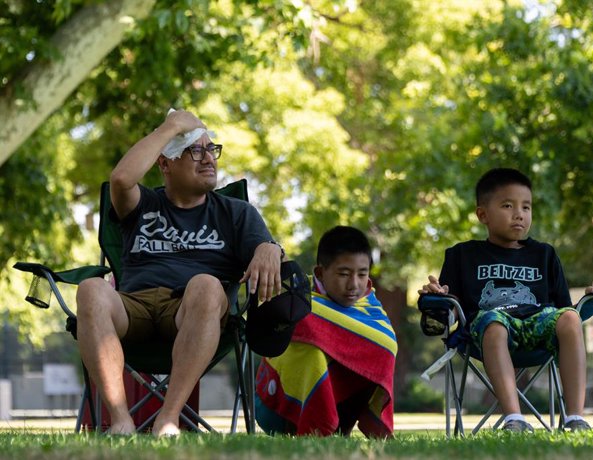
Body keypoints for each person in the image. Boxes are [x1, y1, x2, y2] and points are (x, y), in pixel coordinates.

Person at [75, 109, 283, 436]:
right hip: (133, 309)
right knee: (90, 289)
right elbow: (121, 179)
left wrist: (270, 247)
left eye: (211, 150)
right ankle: (120, 420)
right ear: (164, 164)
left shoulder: (236, 213)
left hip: (191, 312)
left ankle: (168, 419)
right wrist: (171, 127)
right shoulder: (141, 205)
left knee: (205, 285)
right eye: (195, 151)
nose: (208, 159)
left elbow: (264, 248)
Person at [419, 167, 593, 433]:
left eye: (526, 207)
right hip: (487, 331)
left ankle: (575, 418)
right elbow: (448, 317)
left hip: (537, 325)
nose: (519, 214)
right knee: (494, 323)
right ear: (482, 214)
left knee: (569, 317)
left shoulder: (544, 255)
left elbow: (564, 309)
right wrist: (438, 297)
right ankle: (515, 418)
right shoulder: (462, 255)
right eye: (508, 205)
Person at [254, 226, 398, 437]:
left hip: (342, 413)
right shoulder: (297, 300)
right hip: (276, 406)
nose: (354, 285)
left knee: (377, 350)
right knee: (312, 353)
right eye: (344, 274)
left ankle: (341, 429)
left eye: (362, 274)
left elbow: (386, 346)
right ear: (320, 273)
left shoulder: (370, 307)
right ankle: (317, 429)